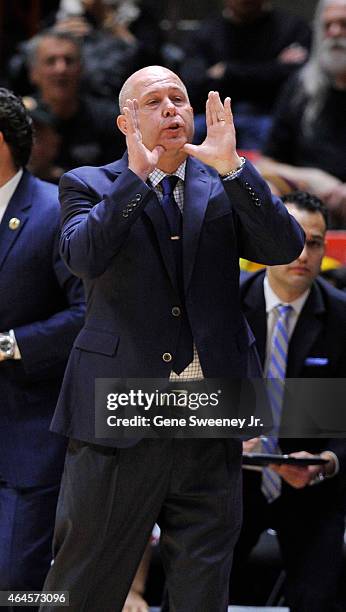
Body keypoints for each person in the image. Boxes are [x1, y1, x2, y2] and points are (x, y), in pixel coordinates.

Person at [39, 65, 304, 612]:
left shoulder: (224, 183)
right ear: (125, 120)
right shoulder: (89, 184)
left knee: (202, 593)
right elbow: (83, 257)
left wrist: (235, 167)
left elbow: (284, 246)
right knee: (84, 586)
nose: (170, 109)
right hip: (121, 414)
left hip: (210, 414)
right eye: (154, 100)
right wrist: (136, 179)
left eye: (179, 98)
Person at [231, 191, 346, 611]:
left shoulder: (340, 318)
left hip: (310, 487)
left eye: (314, 242)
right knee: (191, 592)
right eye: (291, 237)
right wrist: (224, 437)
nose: (302, 252)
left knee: (320, 595)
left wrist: (328, 462)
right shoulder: (222, 305)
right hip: (229, 482)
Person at [0, 89, 85, 609]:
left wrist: (9, 345)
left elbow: (87, 314)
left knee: (17, 588)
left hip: (24, 437)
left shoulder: (56, 209)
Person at [258, 0, 346, 226]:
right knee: (265, 188)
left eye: (343, 24)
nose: (334, 32)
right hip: (311, 202)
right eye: (327, 26)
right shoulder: (299, 87)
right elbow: (266, 164)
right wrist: (313, 179)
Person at [180, 0, 311, 149]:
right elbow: (193, 84)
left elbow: (296, 80)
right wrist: (272, 68)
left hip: (269, 115)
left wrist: (227, 71)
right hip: (213, 117)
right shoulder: (204, 33)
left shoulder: (292, 28)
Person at [25, 29, 124, 174]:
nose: (61, 69)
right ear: (33, 72)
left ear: (82, 69)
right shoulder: (22, 119)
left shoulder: (109, 120)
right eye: (51, 61)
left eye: (69, 60)